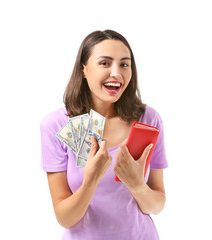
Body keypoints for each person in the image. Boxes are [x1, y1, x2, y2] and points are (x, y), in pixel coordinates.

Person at [40, 29, 168, 240]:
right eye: (105, 63)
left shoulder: (148, 119)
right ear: (84, 69)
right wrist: (90, 181)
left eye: (124, 64)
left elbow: (157, 205)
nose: (116, 73)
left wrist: (137, 184)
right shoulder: (57, 125)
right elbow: (65, 218)